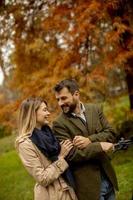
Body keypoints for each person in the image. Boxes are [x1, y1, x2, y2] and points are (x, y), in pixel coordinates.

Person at [52, 79, 118, 200]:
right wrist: (100, 146)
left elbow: (111, 133)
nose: (60, 103)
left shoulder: (95, 109)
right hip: (88, 186)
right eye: (58, 99)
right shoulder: (58, 124)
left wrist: (89, 140)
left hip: (108, 176)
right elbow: (72, 154)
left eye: (63, 98)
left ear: (76, 94)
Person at [15, 97, 78, 200]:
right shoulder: (25, 144)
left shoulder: (49, 133)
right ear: (32, 113)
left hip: (67, 187)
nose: (48, 113)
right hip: (52, 195)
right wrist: (61, 157)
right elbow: (42, 178)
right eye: (44, 110)